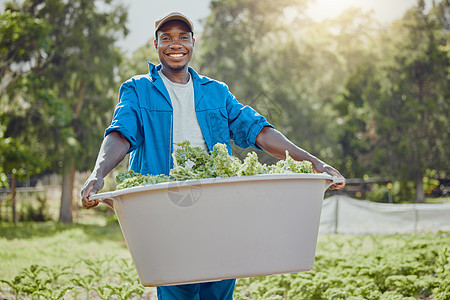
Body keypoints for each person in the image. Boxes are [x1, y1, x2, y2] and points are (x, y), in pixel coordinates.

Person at [81, 12, 345, 300]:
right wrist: (98, 173)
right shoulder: (138, 89)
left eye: (183, 37)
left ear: (193, 42)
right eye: (166, 38)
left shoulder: (216, 92)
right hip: (168, 205)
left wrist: (314, 163)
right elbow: (120, 134)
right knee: (177, 282)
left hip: (218, 205)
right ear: (155, 45)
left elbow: (259, 131)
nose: (175, 44)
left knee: (220, 281)